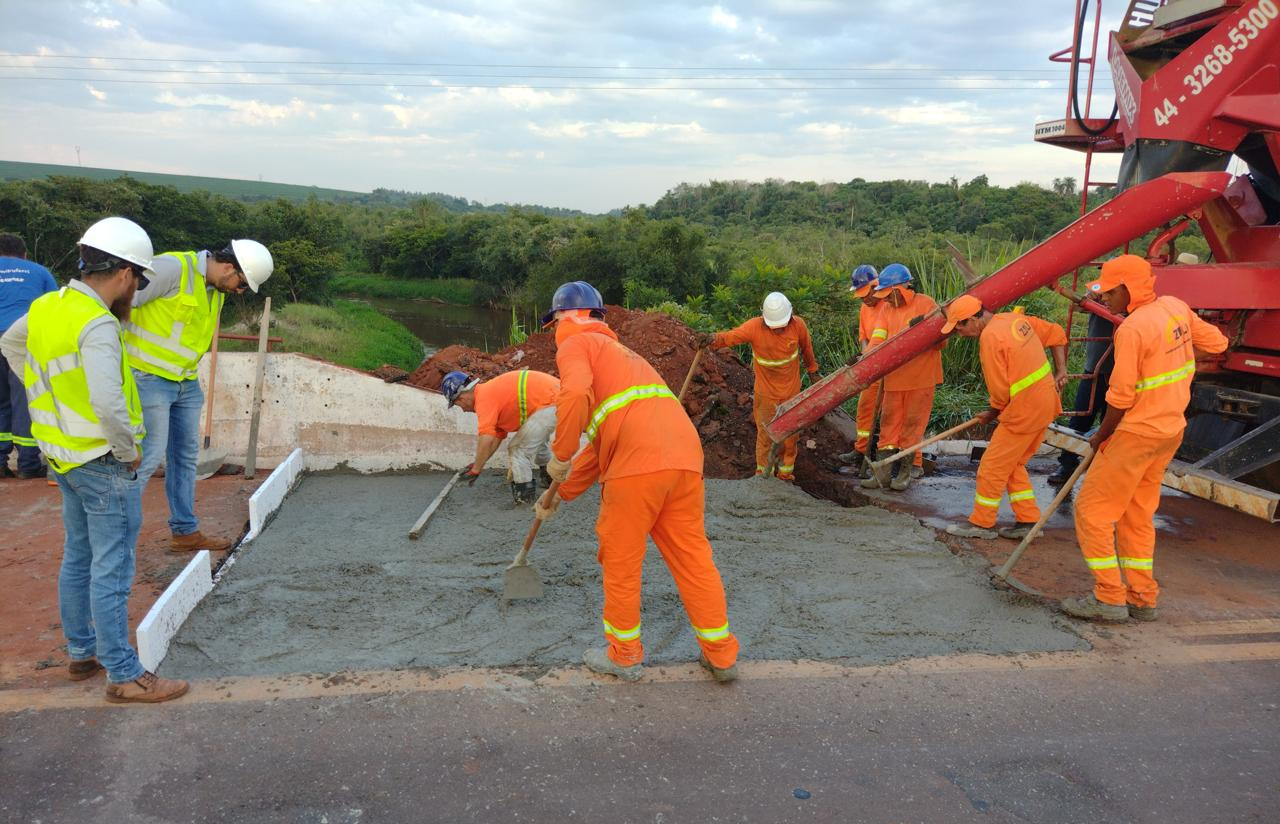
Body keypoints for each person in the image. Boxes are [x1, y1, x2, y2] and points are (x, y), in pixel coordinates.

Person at [0, 217, 188, 703]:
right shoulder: (99, 323)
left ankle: (81, 651)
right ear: (125, 273)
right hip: (103, 462)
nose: (137, 289)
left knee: (78, 557)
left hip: (62, 455)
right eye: (139, 279)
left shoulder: (47, 306)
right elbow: (107, 403)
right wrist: (128, 452)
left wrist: (50, 397)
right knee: (113, 566)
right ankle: (123, 674)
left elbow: (10, 344)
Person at [535, 280, 740, 683]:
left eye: (554, 323)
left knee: (621, 560)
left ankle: (624, 656)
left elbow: (573, 396)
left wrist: (559, 456)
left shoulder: (576, 343)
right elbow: (603, 443)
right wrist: (561, 492)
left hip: (637, 464)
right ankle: (721, 655)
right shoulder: (624, 356)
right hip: (682, 457)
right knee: (693, 558)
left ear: (561, 317)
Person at [1063, 254, 1227, 622]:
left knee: (1092, 512)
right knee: (1137, 515)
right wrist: (1178, 359)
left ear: (1127, 289)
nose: (1103, 299)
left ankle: (1108, 597)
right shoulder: (1175, 308)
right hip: (1169, 432)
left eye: (1107, 293)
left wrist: (1100, 437)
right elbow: (1216, 343)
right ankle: (1142, 597)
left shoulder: (1132, 329)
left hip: (1135, 434)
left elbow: (1119, 399)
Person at [125, 240, 274, 551]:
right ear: (229, 267)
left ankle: (185, 531)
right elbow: (118, 303)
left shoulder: (213, 288)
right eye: (242, 284)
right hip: (148, 377)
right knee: (146, 459)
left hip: (185, 382)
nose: (239, 291)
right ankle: (116, 537)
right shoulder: (172, 268)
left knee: (184, 458)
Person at [940, 296, 1068, 540]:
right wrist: (1061, 370)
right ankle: (1028, 520)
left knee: (991, 468)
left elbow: (999, 390)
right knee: (1013, 464)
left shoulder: (990, 338)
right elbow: (1057, 333)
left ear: (974, 319)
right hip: (1045, 404)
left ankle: (981, 523)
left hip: (1023, 412)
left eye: (960, 327)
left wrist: (993, 411)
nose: (960, 334)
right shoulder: (1014, 319)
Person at [700, 292, 818, 481]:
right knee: (765, 435)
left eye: (782, 326)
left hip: (791, 392)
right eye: (775, 327)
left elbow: (807, 349)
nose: (778, 330)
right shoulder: (754, 328)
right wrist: (712, 339)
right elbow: (732, 336)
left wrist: (813, 372)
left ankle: (786, 474)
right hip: (766, 393)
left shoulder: (798, 326)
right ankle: (763, 475)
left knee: (790, 436)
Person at [860, 264, 944, 492]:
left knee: (912, 427)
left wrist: (925, 330)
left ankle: (904, 474)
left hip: (921, 378)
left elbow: (942, 340)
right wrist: (867, 359)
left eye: (889, 294)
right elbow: (878, 338)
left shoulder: (926, 304)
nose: (886, 299)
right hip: (895, 378)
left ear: (902, 288)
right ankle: (882, 476)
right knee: (888, 427)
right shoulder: (887, 310)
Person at [442, 368, 560, 504]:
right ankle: (550, 479)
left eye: (457, 404)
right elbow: (496, 437)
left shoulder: (483, 399)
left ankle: (524, 498)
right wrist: (479, 463)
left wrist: (476, 470)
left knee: (517, 450)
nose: (462, 409)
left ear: (461, 397)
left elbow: (486, 438)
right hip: (552, 399)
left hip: (551, 401)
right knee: (536, 439)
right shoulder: (488, 392)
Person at [0, 232, 58, 479]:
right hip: (24, 341)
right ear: (24, 254)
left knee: (1, 402)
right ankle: (28, 464)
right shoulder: (39, 271)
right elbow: (55, 307)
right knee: (25, 400)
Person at [837, 264, 885, 478]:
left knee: (887, 416)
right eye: (862, 296)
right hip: (872, 368)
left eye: (867, 294)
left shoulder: (888, 306)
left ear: (876, 287)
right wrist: (866, 361)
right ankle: (861, 450)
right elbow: (864, 337)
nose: (865, 299)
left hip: (890, 368)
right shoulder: (865, 309)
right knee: (865, 409)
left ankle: (881, 457)